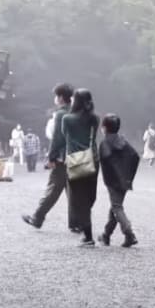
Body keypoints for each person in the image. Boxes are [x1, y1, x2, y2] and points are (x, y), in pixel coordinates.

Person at [21, 84, 74, 228]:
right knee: (73, 191)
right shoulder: (77, 112)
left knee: (53, 189)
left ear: (61, 97)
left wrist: (51, 158)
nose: (55, 99)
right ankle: (77, 223)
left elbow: (57, 138)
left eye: (56, 96)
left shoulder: (61, 114)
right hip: (76, 157)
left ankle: (37, 218)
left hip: (62, 158)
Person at [60, 89, 102, 246]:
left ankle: (88, 236)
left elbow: (65, 135)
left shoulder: (67, 119)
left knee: (78, 198)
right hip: (93, 159)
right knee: (90, 196)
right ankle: (86, 224)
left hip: (76, 161)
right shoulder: (95, 119)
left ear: (75, 101)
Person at [97, 113, 140, 248]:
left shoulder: (105, 144)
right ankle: (106, 235)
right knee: (115, 207)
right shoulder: (123, 141)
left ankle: (129, 234)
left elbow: (106, 160)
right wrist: (128, 175)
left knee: (116, 207)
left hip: (113, 181)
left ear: (104, 128)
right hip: (124, 181)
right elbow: (135, 156)